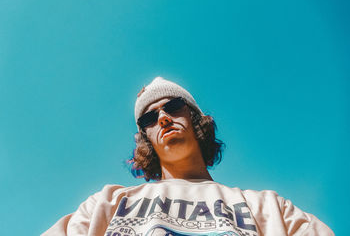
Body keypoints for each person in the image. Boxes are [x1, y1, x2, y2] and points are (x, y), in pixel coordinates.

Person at [42, 77, 334, 236]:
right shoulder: (104, 205)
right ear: (145, 139)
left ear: (197, 119)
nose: (164, 118)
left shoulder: (270, 208)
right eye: (149, 119)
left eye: (173, 106)